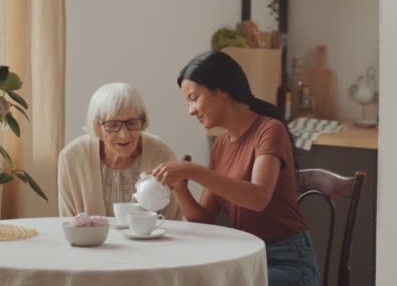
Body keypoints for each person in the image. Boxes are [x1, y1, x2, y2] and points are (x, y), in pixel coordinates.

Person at [149, 51, 320, 286]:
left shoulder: (270, 130)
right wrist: (178, 185)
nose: (191, 110)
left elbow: (258, 197)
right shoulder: (220, 146)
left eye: (194, 98)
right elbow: (203, 218)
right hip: (248, 258)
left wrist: (193, 170)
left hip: (288, 261)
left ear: (221, 90)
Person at [58, 82, 182, 221]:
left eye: (132, 123)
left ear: (143, 121)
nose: (124, 135)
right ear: (97, 126)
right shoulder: (72, 158)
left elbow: (172, 223)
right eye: (112, 125)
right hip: (90, 242)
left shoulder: (161, 154)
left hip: (152, 243)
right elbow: (69, 224)